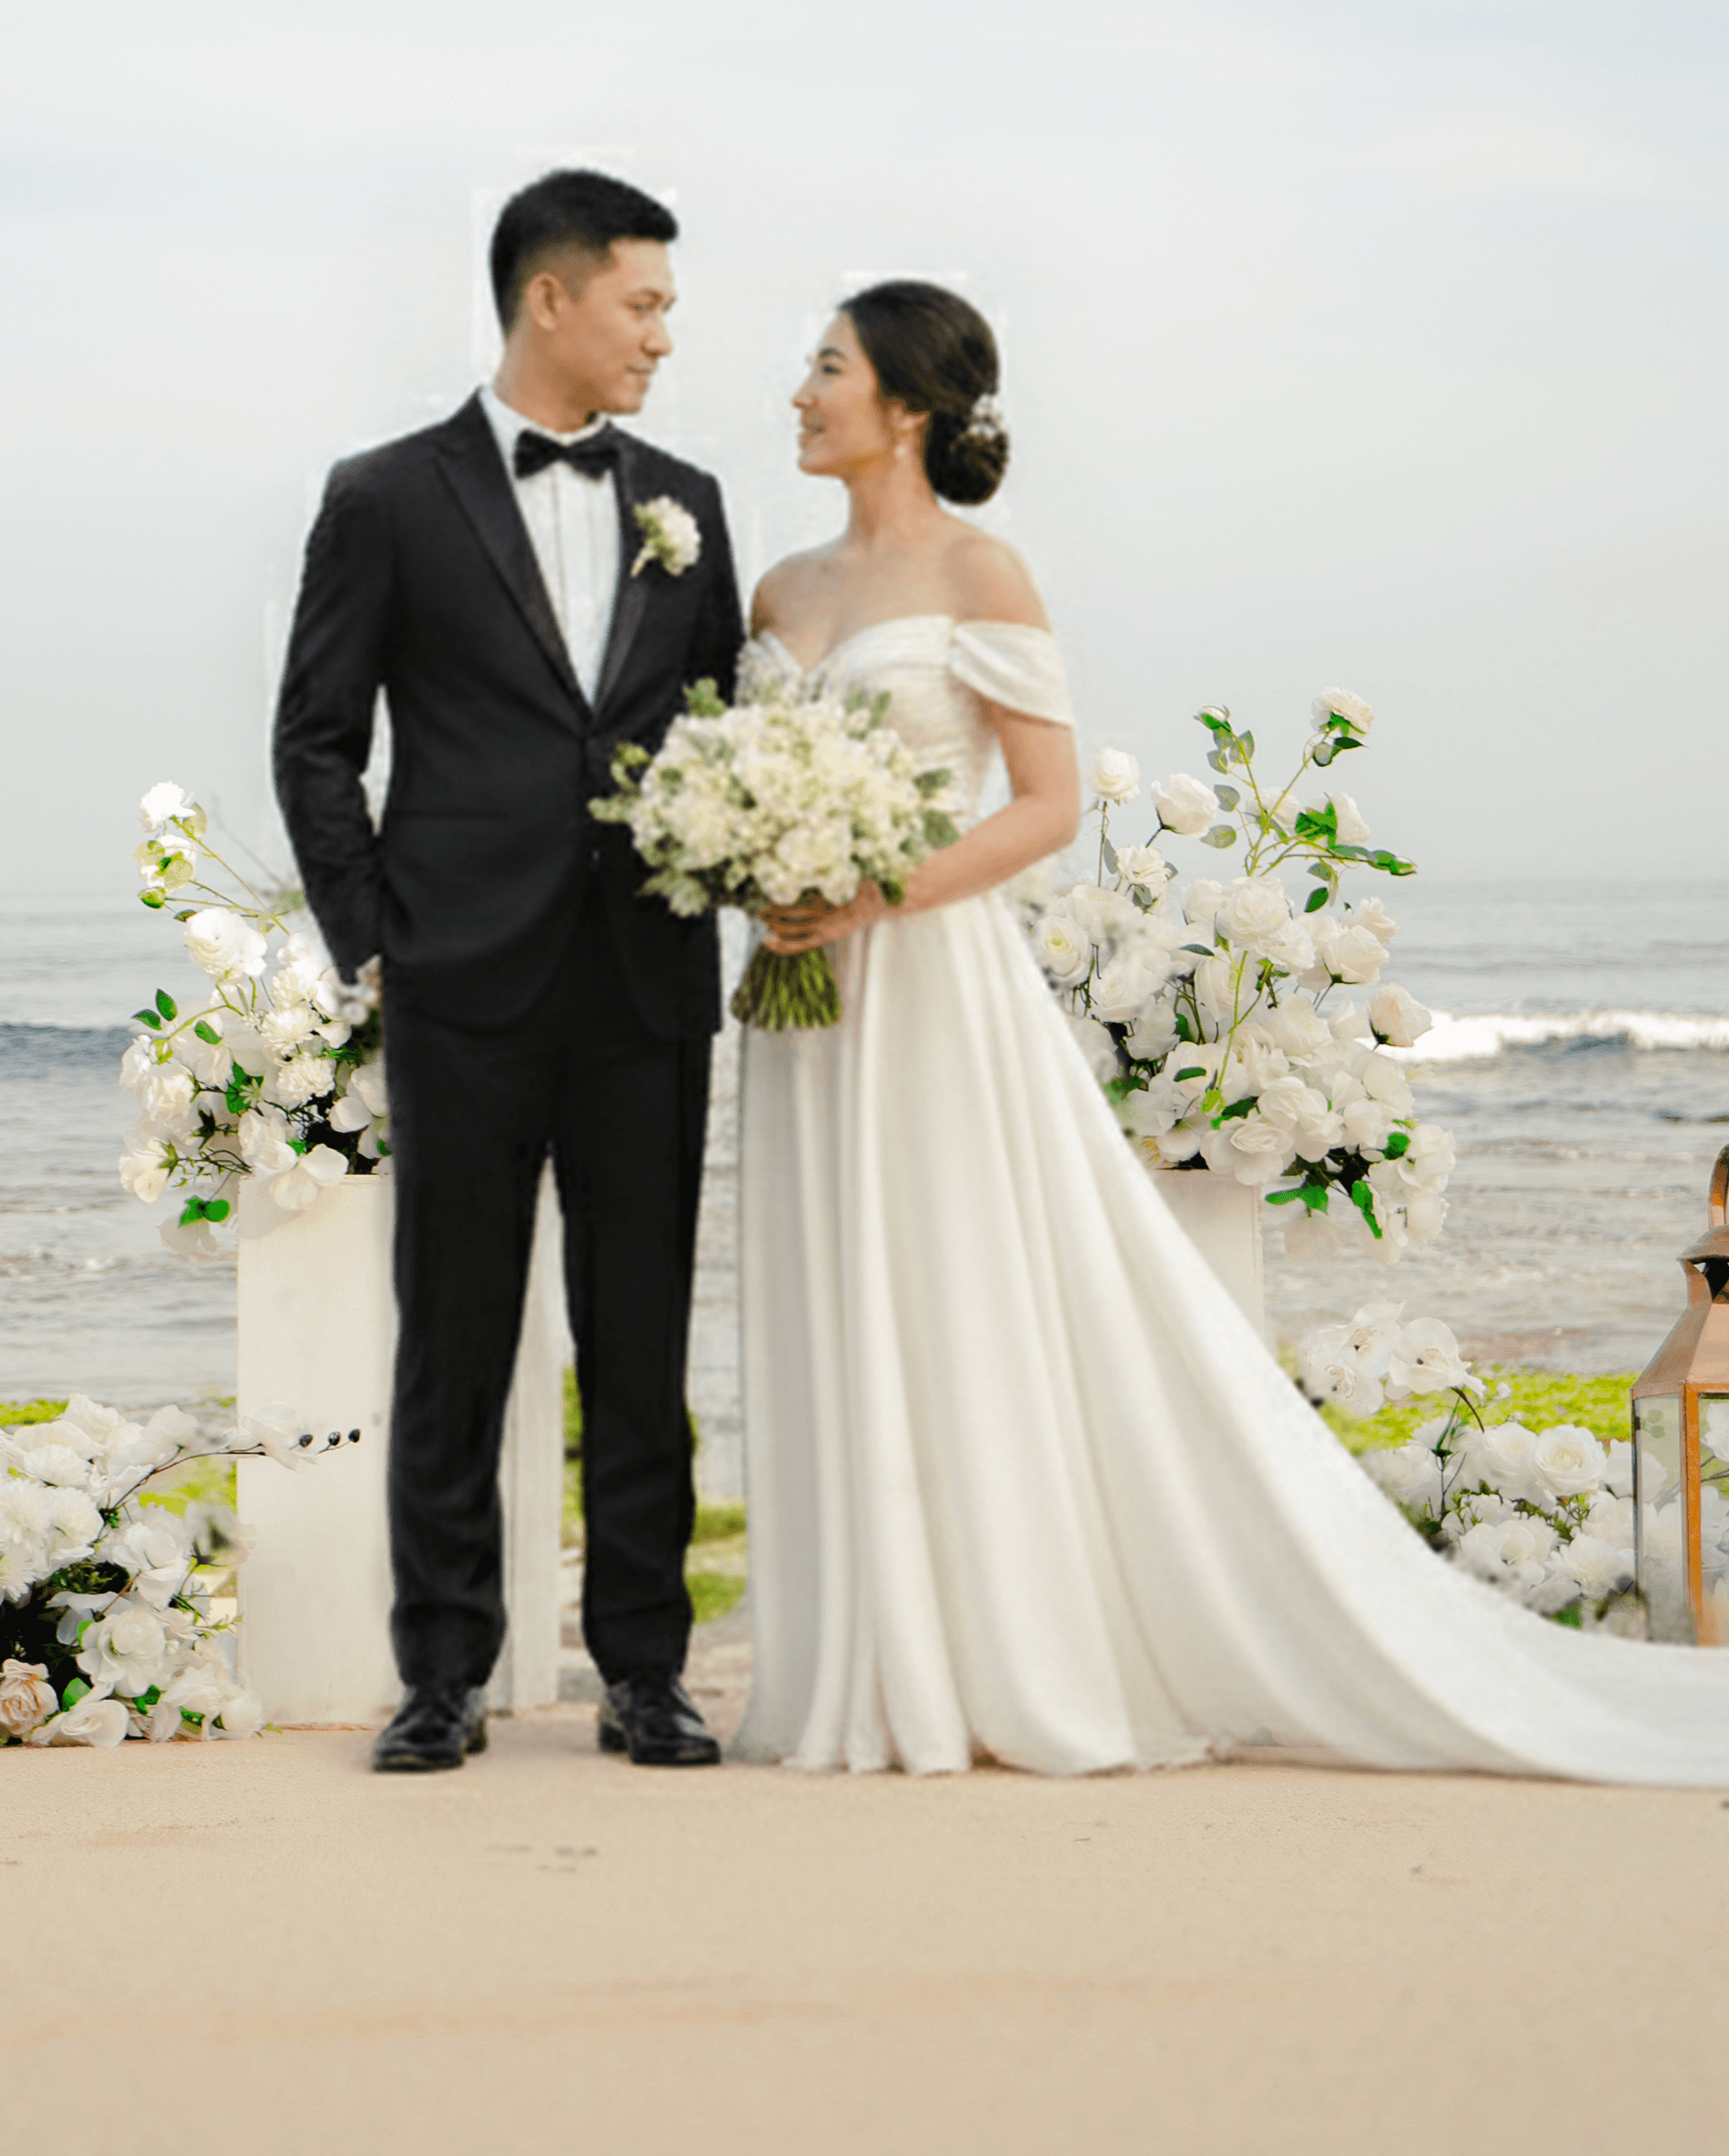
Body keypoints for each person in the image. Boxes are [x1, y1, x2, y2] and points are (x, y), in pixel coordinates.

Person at [736, 278, 1729, 1783]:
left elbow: (1047, 807)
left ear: (908, 408)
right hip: (802, 1004)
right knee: (839, 1284)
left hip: (933, 986)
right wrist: (759, 873)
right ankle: (861, 1666)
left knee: (959, 1287)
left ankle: (992, 1656)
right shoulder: (781, 595)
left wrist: (878, 891)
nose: (798, 393)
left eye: (825, 368)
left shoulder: (982, 572)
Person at [274, 170, 745, 1770]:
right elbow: (318, 742)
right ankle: (441, 1677)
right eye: (645, 303)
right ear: (550, 298)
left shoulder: (690, 499)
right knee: (454, 1336)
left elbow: (727, 734)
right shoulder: (384, 495)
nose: (664, 336)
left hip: (643, 988)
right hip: (458, 982)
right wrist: (373, 944)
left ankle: (645, 1675)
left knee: (641, 1345)